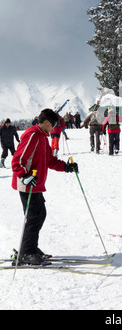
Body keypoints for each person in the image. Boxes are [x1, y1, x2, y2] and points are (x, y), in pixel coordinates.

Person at [11, 109, 78, 265]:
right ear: (47, 122)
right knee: (33, 217)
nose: (54, 127)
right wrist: (25, 176)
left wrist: (66, 167)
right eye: (53, 124)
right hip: (27, 184)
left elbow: (49, 160)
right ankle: (27, 253)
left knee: (40, 214)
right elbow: (17, 160)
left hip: (36, 184)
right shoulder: (33, 135)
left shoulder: (42, 137)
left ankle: (29, 247)